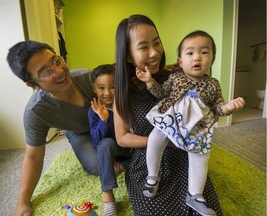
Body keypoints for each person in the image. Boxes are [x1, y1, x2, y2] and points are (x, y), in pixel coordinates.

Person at [113, 14, 224, 216]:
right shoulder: (123, 92)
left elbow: (207, 99)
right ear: (128, 55)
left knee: (205, 209)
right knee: (154, 210)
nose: (155, 53)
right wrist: (164, 139)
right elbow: (122, 137)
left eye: (157, 43)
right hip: (147, 157)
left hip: (183, 153)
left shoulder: (177, 76)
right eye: (144, 47)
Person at [135, 30, 246, 215]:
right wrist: (149, 81)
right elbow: (161, 92)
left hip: (197, 126)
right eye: (190, 53)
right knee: (155, 137)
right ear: (180, 61)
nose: (197, 58)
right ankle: (152, 176)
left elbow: (218, 106)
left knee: (202, 154)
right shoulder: (175, 77)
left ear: (212, 59)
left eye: (204, 52)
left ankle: (195, 194)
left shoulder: (213, 84)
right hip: (171, 119)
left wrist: (228, 108)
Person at [6, 40, 99, 216]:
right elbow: (33, 157)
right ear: (33, 85)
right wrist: (23, 202)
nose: (59, 71)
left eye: (56, 61)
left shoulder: (87, 77)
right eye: (46, 72)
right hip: (78, 132)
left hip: (106, 124)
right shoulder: (36, 111)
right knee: (98, 165)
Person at [88, 64, 131, 216]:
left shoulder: (127, 103)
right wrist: (103, 120)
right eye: (101, 88)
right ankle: (108, 197)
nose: (107, 93)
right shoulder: (94, 110)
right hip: (113, 150)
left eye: (112, 87)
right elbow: (97, 142)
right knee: (105, 144)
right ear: (94, 88)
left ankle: (124, 165)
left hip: (132, 148)